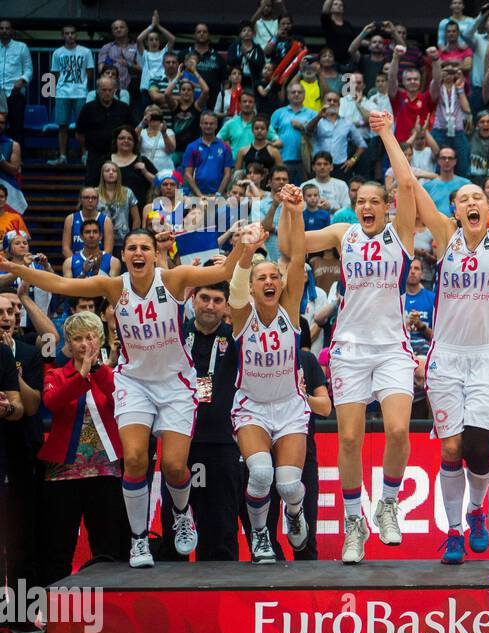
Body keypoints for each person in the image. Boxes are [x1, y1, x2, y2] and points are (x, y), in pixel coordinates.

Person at [1, 227, 251, 568]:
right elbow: (61, 284)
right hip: (134, 383)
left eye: (144, 247)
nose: (138, 252)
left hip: (176, 384)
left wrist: (243, 246)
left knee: (176, 466)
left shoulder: (174, 279)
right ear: (125, 254)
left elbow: (223, 272)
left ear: (152, 253)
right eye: (131, 247)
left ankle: (180, 513)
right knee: (134, 460)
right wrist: (17, 270)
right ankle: (138, 540)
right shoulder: (113, 286)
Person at [398, 100, 489, 564]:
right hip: (446, 355)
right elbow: (411, 184)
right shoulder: (444, 236)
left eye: (479, 198)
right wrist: (389, 138)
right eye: (464, 199)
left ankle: (477, 509)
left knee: (481, 448)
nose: (472, 202)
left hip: (487, 356)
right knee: (451, 446)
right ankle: (454, 529)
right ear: (454, 209)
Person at [301, 113, 418, 564]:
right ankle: (354, 522)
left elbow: (407, 186)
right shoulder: (342, 233)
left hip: (392, 348)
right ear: (355, 205)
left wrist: (387, 132)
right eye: (360, 199)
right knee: (348, 440)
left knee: (398, 429)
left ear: (386, 207)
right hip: (349, 349)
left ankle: (387, 504)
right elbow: (297, 244)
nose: (367, 205)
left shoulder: (400, 236)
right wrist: (289, 211)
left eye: (375, 200)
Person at [228, 185, 310, 563]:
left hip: (290, 405)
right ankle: (259, 534)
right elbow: (237, 283)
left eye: (273, 276)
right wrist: (246, 252)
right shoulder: (242, 315)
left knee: (290, 485)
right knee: (260, 475)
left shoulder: (289, 309)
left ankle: (294, 514)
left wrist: (294, 211)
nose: (269, 281)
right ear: (253, 285)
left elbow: (298, 258)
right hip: (253, 406)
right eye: (261, 277)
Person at [36, 310, 130, 586]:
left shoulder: (112, 376)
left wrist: (97, 370)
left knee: (109, 546)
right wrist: (82, 375)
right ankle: (56, 613)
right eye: (77, 339)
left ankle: (113, 609)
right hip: (62, 474)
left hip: (106, 471)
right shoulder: (56, 374)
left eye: (90, 337)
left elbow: (119, 398)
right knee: (58, 546)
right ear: (69, 343)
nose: (84, 344)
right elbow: (52, 402)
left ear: (100, 339)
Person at [48, 25, 95, 166]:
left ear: (76, 35)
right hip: (63, 93)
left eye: (72, 33)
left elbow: (90, 72)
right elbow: (55, 74)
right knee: (62, 126)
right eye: (67, 33)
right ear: (63, 35)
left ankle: (85, 154)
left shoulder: (86, 51)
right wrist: (59, 88)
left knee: (83, 126)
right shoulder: (57, 53)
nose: (70, 35)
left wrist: (81, 84)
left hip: (80, 92)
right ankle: (62, 156)